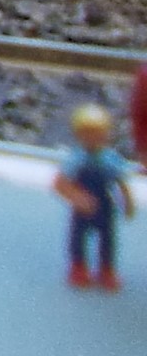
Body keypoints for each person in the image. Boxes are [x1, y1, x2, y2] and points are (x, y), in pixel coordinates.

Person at [53, 104, 134, 290]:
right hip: (82, 207)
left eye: (98, 133)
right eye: (87, 133)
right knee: (77, 237)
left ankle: (106, 269)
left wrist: (128, 203)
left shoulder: (110, 159)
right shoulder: (76, 159)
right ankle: (78, 266)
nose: (92, 138)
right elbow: (60, 183)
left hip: (105, 205)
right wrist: (76, 197)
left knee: (107, 239)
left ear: (106, 134)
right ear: (78, 135)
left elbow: (121, 182)